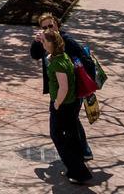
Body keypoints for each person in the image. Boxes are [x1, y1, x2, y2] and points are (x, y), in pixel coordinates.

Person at [29, 14, 103, 158]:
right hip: (57, 89)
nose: (49, 29)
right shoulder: (45, 41)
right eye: (44, 27)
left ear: (57, 25)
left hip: (71, 91)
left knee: (66, 124)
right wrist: (36, 41)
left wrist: (87, 85)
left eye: (51, 25)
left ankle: (77, 155)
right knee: (72, 121)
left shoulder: (67, 41)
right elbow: (35, 55)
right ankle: (82, 152)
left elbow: (86, 60)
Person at [38, 25, 95, 185]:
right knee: (70, 137)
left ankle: (79, 172)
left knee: (58, 136)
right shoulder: (61, 57)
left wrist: (56, 103)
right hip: (69, 104)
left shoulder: (58, 63)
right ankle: (75, 168)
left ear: (51, 44)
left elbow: (64, 87)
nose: (42, 43)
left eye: (44, 41)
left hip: (63, 106)